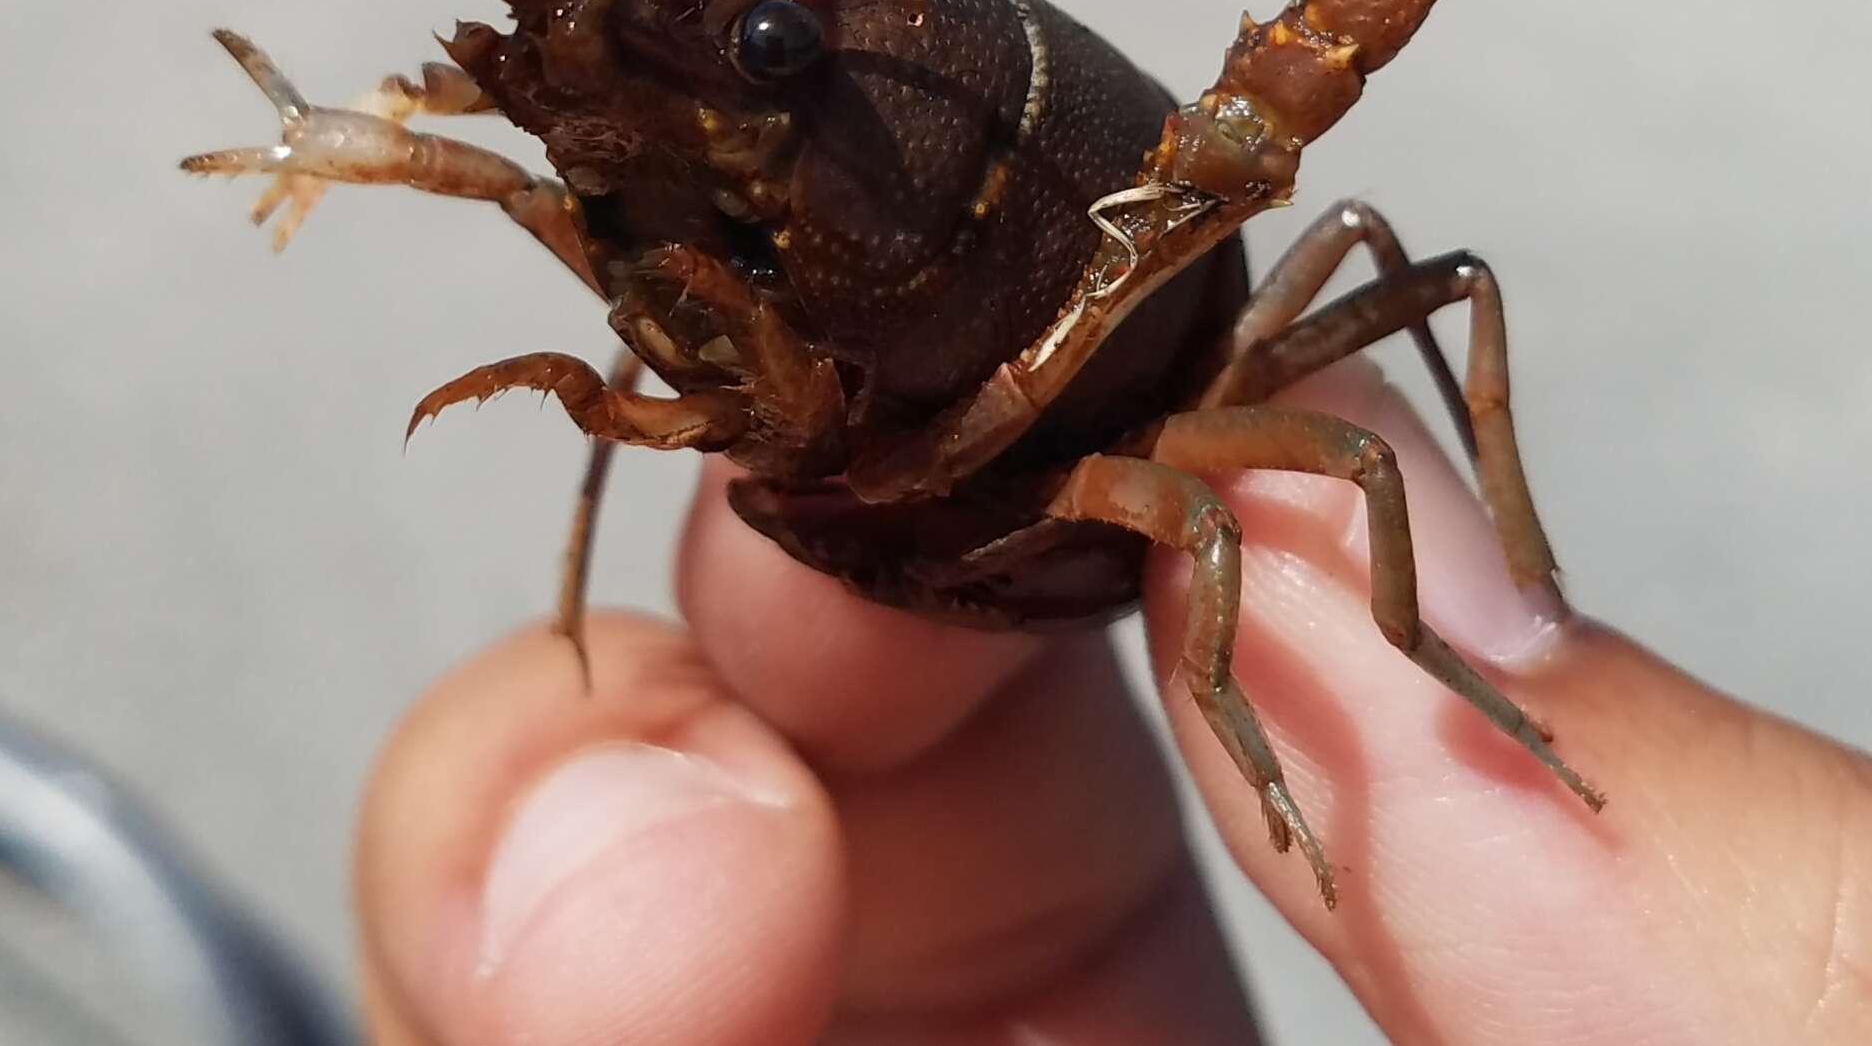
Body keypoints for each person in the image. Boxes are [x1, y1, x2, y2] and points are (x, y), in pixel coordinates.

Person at [354, 365, 1872, 1044]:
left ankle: (1461, 649)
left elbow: (1238, 507)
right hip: (918, 513)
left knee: (1336, 421)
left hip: (1123, 492)